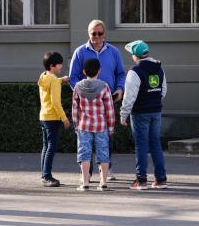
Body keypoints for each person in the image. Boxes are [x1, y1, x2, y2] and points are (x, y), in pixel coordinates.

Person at [69, 19, 126, 180]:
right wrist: (82, 93)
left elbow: (120, 74)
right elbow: (73, 77)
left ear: (104, 33)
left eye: (100, 33)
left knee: (107, 136)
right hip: (86, 105)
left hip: (107, 101)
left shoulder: (113, 51)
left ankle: (106, 169)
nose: (97, 37)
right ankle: (86, 173)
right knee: (85, 141)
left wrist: (120, 89)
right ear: (89, 34)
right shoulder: (80, 52)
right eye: (94, 33)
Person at [120, 40, 168, 190]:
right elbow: (163, 90)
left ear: (136, 56)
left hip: (140, 112)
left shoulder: (134, 72)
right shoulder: (159, 69)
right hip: (156, 111)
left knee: (141, 145)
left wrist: (123, 115)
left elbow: (129, 97)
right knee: (155, 144)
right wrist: (154, 101)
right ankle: (161, 179)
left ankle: (141, 180)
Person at [72, 58, 115, 192]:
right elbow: (109, 109)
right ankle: (103, 182)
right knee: (103, 153)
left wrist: (76, 125)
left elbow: (75, 109)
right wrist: (111, 126)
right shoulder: (104, 86)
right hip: (101, 126)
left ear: (84, 71)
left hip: (84, 125)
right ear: (99, 70)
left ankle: (85, 182)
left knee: (84, 153)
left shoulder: (78, 87)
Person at [37, 51, 70, 187]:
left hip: (44, 116)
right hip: (53, 117)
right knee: (51, 147)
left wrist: (61, 80)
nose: (61, 66)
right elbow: (56, 102)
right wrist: (65, 119)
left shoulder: (44, 76)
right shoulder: (54, 80)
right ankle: (47, 176)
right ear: (52, 66)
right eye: (59, 64)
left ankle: (44, 174)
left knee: (46, 146)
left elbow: (52, 83)